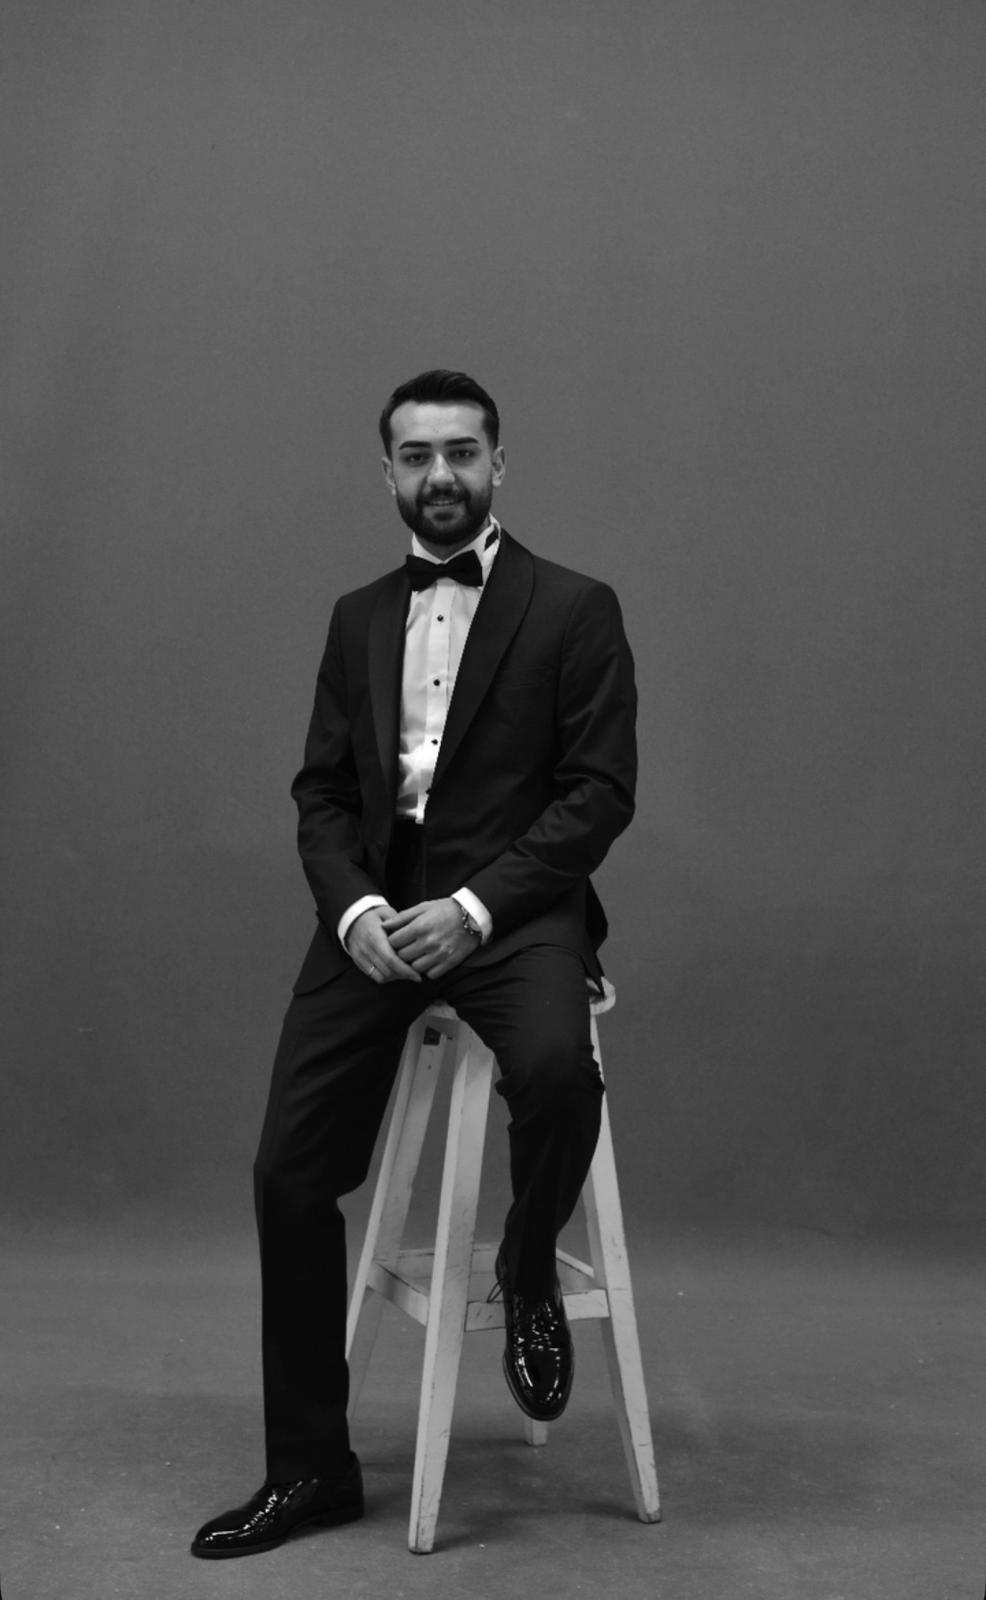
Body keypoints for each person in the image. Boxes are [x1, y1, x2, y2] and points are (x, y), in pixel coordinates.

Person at [191, 369, 637, 1558]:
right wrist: (354, 912)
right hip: (378, 922)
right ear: (385, 471)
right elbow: (322, 794)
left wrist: (476, 908)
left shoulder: (574, 607)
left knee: (556, 1069)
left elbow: (597, 793)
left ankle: (526, 1264)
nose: (440, 474)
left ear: (498, 463)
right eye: (416, 454)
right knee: (287, 1172)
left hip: (513, 911)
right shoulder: (355, 617)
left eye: (461, 451)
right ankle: (309, 1470)